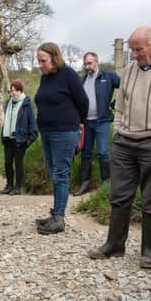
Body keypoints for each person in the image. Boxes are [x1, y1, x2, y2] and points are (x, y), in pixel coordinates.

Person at [88, 26, 151, 268]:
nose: (134, 55)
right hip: (125, 141)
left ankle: (148, 251)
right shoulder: (129, 70)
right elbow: (121, 106)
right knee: (119, 195)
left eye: (138, 49)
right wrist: (118, 131)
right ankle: (115, 244)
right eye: (131, 50)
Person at [34, 42, 88, 235]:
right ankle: (55, 213)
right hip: (47, 132)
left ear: (54, 58)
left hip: (65, 132)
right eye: (38, 61)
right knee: (53, 173)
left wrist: (77, 123)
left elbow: (83, 101)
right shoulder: (44, 78)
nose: (40, 64)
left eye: (43, 61)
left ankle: (59, 218)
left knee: (61, 174)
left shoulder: (69, 75)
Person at [73, 52, 120, 196]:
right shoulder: (82, 80)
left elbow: (127, 89)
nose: (87, 66)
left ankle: (107, 185)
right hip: (86, 123)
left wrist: (115, 104)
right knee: (86, 153)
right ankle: (85, 184)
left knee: (103, 152)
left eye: (90, 63)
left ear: (97, 62)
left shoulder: (108, 77)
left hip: (102, 121)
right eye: (85, 64)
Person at [0, 79, 38, 195]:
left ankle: (18, 187)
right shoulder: (8, 103)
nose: (13, 93)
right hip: (8, 138)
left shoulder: (26, 104)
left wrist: (30, 140)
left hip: (20, 140)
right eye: (11, 91)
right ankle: (9, 186)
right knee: (7, 162)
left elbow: (32, 123)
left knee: (18, 163)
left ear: (21, 91)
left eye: (16, 91)